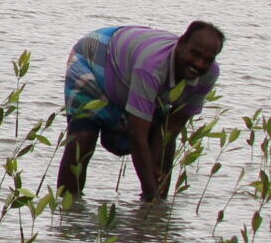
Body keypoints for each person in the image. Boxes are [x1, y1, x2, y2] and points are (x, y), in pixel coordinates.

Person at [57, 22, 223, 203]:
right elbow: (137, 134)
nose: (199, 64)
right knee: (82, 139)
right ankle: (68, 212)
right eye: (195, 54)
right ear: (181, 43)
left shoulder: (208, 75)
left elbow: (172, 126)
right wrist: (151, 192)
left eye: (208, 59)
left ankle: (154, 216)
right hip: (93, 59)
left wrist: (154, 165)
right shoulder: (152, 66)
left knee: (164, 140)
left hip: (128, 74)